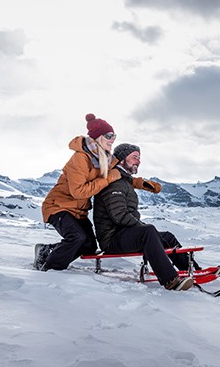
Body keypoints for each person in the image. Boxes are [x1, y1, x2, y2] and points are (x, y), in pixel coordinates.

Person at [93, 143, 201, 291]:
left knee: (167, 237)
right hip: (111, 239)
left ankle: (194, 271)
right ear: (122, 159)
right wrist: (144, 229)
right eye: (135, 157)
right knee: (149, 231)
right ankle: (170, 280)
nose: (138, 161)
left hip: (123, 233)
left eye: (139, 158)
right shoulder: (114, 182)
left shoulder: (125, 181)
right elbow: (119, 215)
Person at [34, 113, 121, 271]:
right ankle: (49, 270)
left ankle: (46, 251)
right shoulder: (80, 158)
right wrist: (108, 179)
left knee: (88, 246)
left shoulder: (104, 159)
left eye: (114, 136)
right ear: (97, 137)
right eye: (109, 135)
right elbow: (78, 192)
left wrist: (142, 183)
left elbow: (121, 174)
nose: (112, 139)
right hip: (58, 207)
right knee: (76, 238)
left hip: (78, 212)